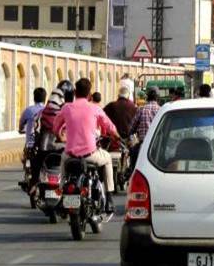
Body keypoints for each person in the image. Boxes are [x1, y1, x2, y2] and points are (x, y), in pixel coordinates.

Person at [52, 78, 119, 214]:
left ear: (75, 92)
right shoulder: (95, 108)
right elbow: (110, 127)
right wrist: (117, 137)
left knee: (63, 162)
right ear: (89, 95)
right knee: (107, 159)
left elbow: (55, 127)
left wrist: (59, 135)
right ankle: (109, 198)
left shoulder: (66, 108)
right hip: (90, 155)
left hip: (70, 155)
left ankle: (61, 194)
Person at [128, 87, 161, 170]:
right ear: (157, 97)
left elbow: (131, 128)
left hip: (143, 144)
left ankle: (132, 171)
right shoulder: (160, 110)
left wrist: (131, 134)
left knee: (133, 157)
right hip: (158, 145)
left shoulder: (141, 109)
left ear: (147, 96)